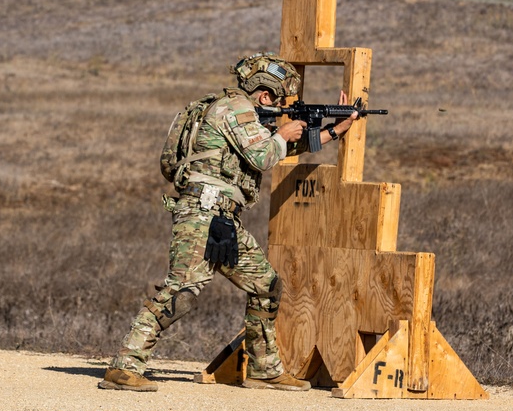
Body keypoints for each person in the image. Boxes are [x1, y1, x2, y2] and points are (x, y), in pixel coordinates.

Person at [99, 53, 359, 392]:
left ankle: (264, 369)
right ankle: (124, 366)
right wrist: (282, 133)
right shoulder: (234, 110)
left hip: (221, 217)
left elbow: (274, 149)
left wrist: (333, 132)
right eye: (278, 99)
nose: (280, 105)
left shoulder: (241, 113)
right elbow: (266, 155)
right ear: (265, 95)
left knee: (266, 285)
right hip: (201, 213)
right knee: (182, 290)